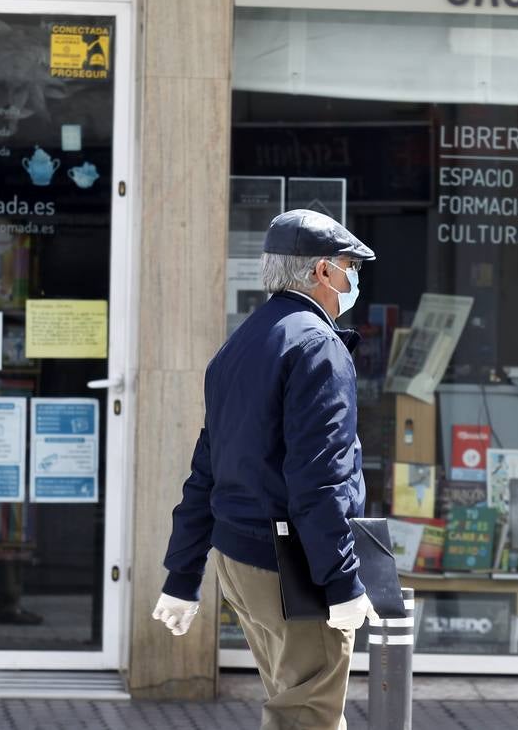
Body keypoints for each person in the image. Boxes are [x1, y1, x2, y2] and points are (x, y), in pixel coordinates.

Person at [152, 209, 377, 730]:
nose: (354, 278)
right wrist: (342, 582)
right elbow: (320, 479)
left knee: (296, 703)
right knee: (308, 716)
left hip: (242, 559)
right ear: (323, 271)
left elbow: (205, 469)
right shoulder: (318, 346)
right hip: (292, 565)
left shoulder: (242, 342)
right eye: (350, 266)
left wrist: (183, 575)